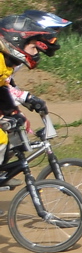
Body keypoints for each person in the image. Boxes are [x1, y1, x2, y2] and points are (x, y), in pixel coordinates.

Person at [0, 15, 60, 186]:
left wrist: (12, 112)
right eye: (34, 47)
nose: (36, 53)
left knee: (12, 133)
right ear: (16, 41)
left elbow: (2, 89)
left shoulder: (5, 63)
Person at [6, 10, 72, 118]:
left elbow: (6, 81)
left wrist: (24, 98)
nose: (54, 39)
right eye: (51, 35)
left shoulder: (19, 53)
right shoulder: (10, 53)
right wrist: (24, 97)